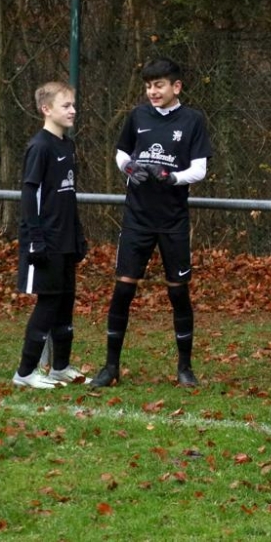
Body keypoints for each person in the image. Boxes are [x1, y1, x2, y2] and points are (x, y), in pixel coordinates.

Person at [91, 57, 213, 388]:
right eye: (148, 86)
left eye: (159, 85)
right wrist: (129, 168)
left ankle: (185, 368)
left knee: (178, 293)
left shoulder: (192, 120)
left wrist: (171, 177)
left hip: (173, 220)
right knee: (123, 289)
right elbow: (121, 153)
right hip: (137, 218)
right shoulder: (137, 116)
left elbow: (200, 169)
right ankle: (110, 367)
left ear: (176, 87)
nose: (152, 91)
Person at [12, 81, 90, 389]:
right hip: (46, 241)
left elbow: (67, 196)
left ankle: (60, 367)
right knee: (48, 304)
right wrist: (36, 238)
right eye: (66, 105)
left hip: (66, 240)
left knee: (65, 302)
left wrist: (78, 234)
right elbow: (30, 195)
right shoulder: (40, 147)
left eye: (73, 105)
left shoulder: (67, 145)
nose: (73, 110)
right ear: (46, 109)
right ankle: (25, 372)